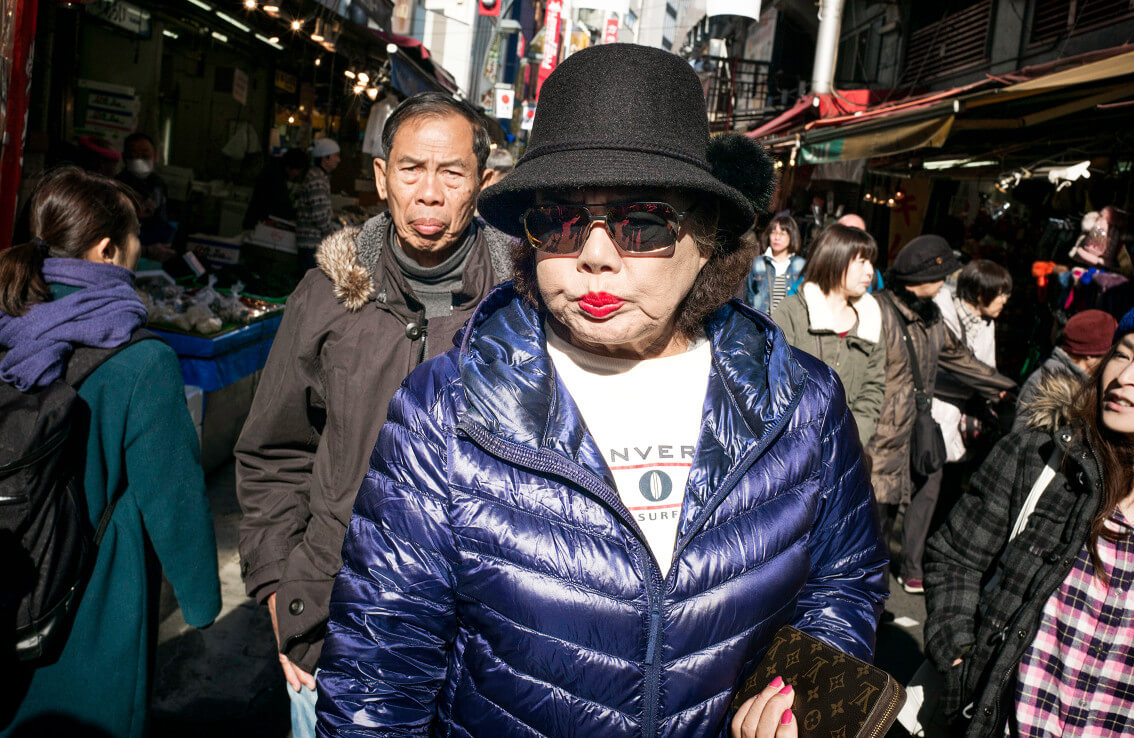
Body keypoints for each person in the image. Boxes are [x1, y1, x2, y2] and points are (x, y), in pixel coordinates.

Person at [315, 42, 887, 738]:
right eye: (558, 220)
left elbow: (844, 581)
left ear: (706, 237)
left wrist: (799, 697)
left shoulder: (802, 406)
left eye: (641, 222)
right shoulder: (447, 411)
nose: (592, 254)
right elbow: (380, 677)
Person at [235, 92, 515, 738]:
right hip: (334, 628)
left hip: (474, 645)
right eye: (412, 169)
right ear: (383, 177)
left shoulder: (521, 308)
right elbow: (275, 450)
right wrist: (281, 589)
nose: (430, 193)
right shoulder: (327, 295)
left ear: (482, 181)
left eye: (451, 173)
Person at [0, 166, 220, 738]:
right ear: (107, 250)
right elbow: (172, 498)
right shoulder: (141, 358)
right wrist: (202, 603)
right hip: (93, 596)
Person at [925, 298, 1134, 737]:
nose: (1126, 376)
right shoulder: (1039, 459)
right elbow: (955, 558)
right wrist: (962, 662)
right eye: (1122, 354)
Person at [868, 235, 1015, 595]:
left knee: (890, 518)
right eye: (942, 275)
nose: (947, 282)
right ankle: (861, 600)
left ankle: (875, 602)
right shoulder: (879, 310)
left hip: (912, 431)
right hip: (880, 434)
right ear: (921, 277)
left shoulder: (931, 318)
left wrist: (1008, 387)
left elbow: (962, 361)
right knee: (873, 521)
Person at [772, 223, 885, 446]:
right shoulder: (792, 311)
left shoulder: (870, 319)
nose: (870, 271)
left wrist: (850, 439)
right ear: (835, 258)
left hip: (843, 452)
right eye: (862, 262)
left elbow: (873, 389)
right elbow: (775, 381)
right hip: (791, 447)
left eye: (870, 262)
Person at [932, 259, 1013, 464]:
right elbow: (937, 370)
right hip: (932, 417)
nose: (1004, 300)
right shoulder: (940, 314)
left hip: (959, 426)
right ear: (979, 293)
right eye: (1000, 293)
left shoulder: (987, 324)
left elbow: (987, 370)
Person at [1013, 308, 1117, 430]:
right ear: (1090, 355)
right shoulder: (1045, 382)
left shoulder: (1087, 381)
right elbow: (1020, 441)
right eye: (1110, 356)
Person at [116, 132, 176, 262]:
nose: (139, 159)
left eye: (145, 155)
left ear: (155, 156)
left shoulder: (159, 184)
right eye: (133, 155)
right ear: (125, 157)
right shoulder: (117, 185)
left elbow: (163, 219)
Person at [295, 138, 343, 271]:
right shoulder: (317, 179)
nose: (338, 160)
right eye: (336, 156)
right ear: (325, 158)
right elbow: (320, 217)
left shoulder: (320, 176)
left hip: (312, 244)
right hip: (312, 244)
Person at [746, 213, 804, 315]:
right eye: (773, 233)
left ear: (792, 236)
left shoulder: (800, 265)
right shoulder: (757, 263)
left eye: (782, 234)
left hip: (789, 325)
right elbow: (749, 295)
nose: (777, 237)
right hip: (762, 324)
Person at [243, 148, 310, 230]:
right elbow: (283, 207)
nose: (297, 174)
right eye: (298, 171)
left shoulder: (273, 169)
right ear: (289, 167)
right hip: (258, 224)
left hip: (255, 221)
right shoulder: (275, 177)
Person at [836, 213, 883, 291]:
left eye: (861, 234)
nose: (869, 271)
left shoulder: (875, 277)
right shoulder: (814, 271)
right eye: (850, 233)